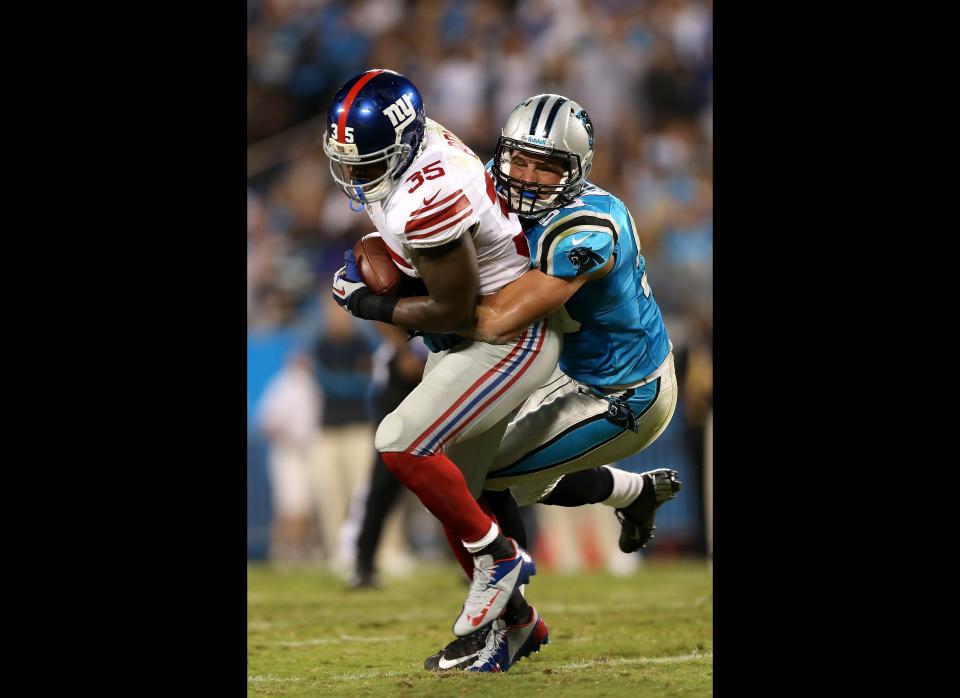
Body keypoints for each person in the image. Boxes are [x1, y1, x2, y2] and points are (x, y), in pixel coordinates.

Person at [422, 94, 683, 672]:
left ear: (577, 173)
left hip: (623, 392)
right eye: (519, 160)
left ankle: (507, 626)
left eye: (548, 167)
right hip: (563, 374)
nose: (527, 177)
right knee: (506, 475)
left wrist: (389, 303)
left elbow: (495, 318)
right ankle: (634, 493)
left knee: (482, 477)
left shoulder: (587, 226)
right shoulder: (491, 183)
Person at [324, 69, 561, 658]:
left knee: (400, 441)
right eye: (348, 159)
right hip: (475, 337)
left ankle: (499, 556)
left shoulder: (425, 193)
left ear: (402, 146)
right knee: (462, 494)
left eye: (367, 161)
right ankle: (515, 627)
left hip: (506, 335)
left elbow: (455, 309)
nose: (354, 175)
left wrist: (372, 302)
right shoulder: (415, 150)